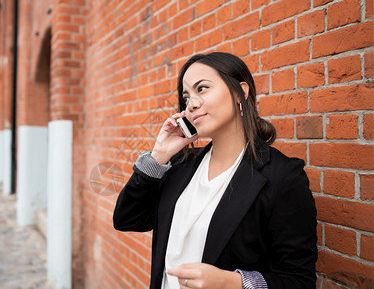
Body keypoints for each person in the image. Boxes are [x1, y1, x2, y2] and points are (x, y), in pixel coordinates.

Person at [113, 52, 317, 289]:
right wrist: (159, 155)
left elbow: (299, 281)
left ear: (241, 92)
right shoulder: (181, 165)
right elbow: (127, 219)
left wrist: (234, 282)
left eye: (202, 88)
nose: (192, 104)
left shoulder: (281, 177)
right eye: (186, 97)